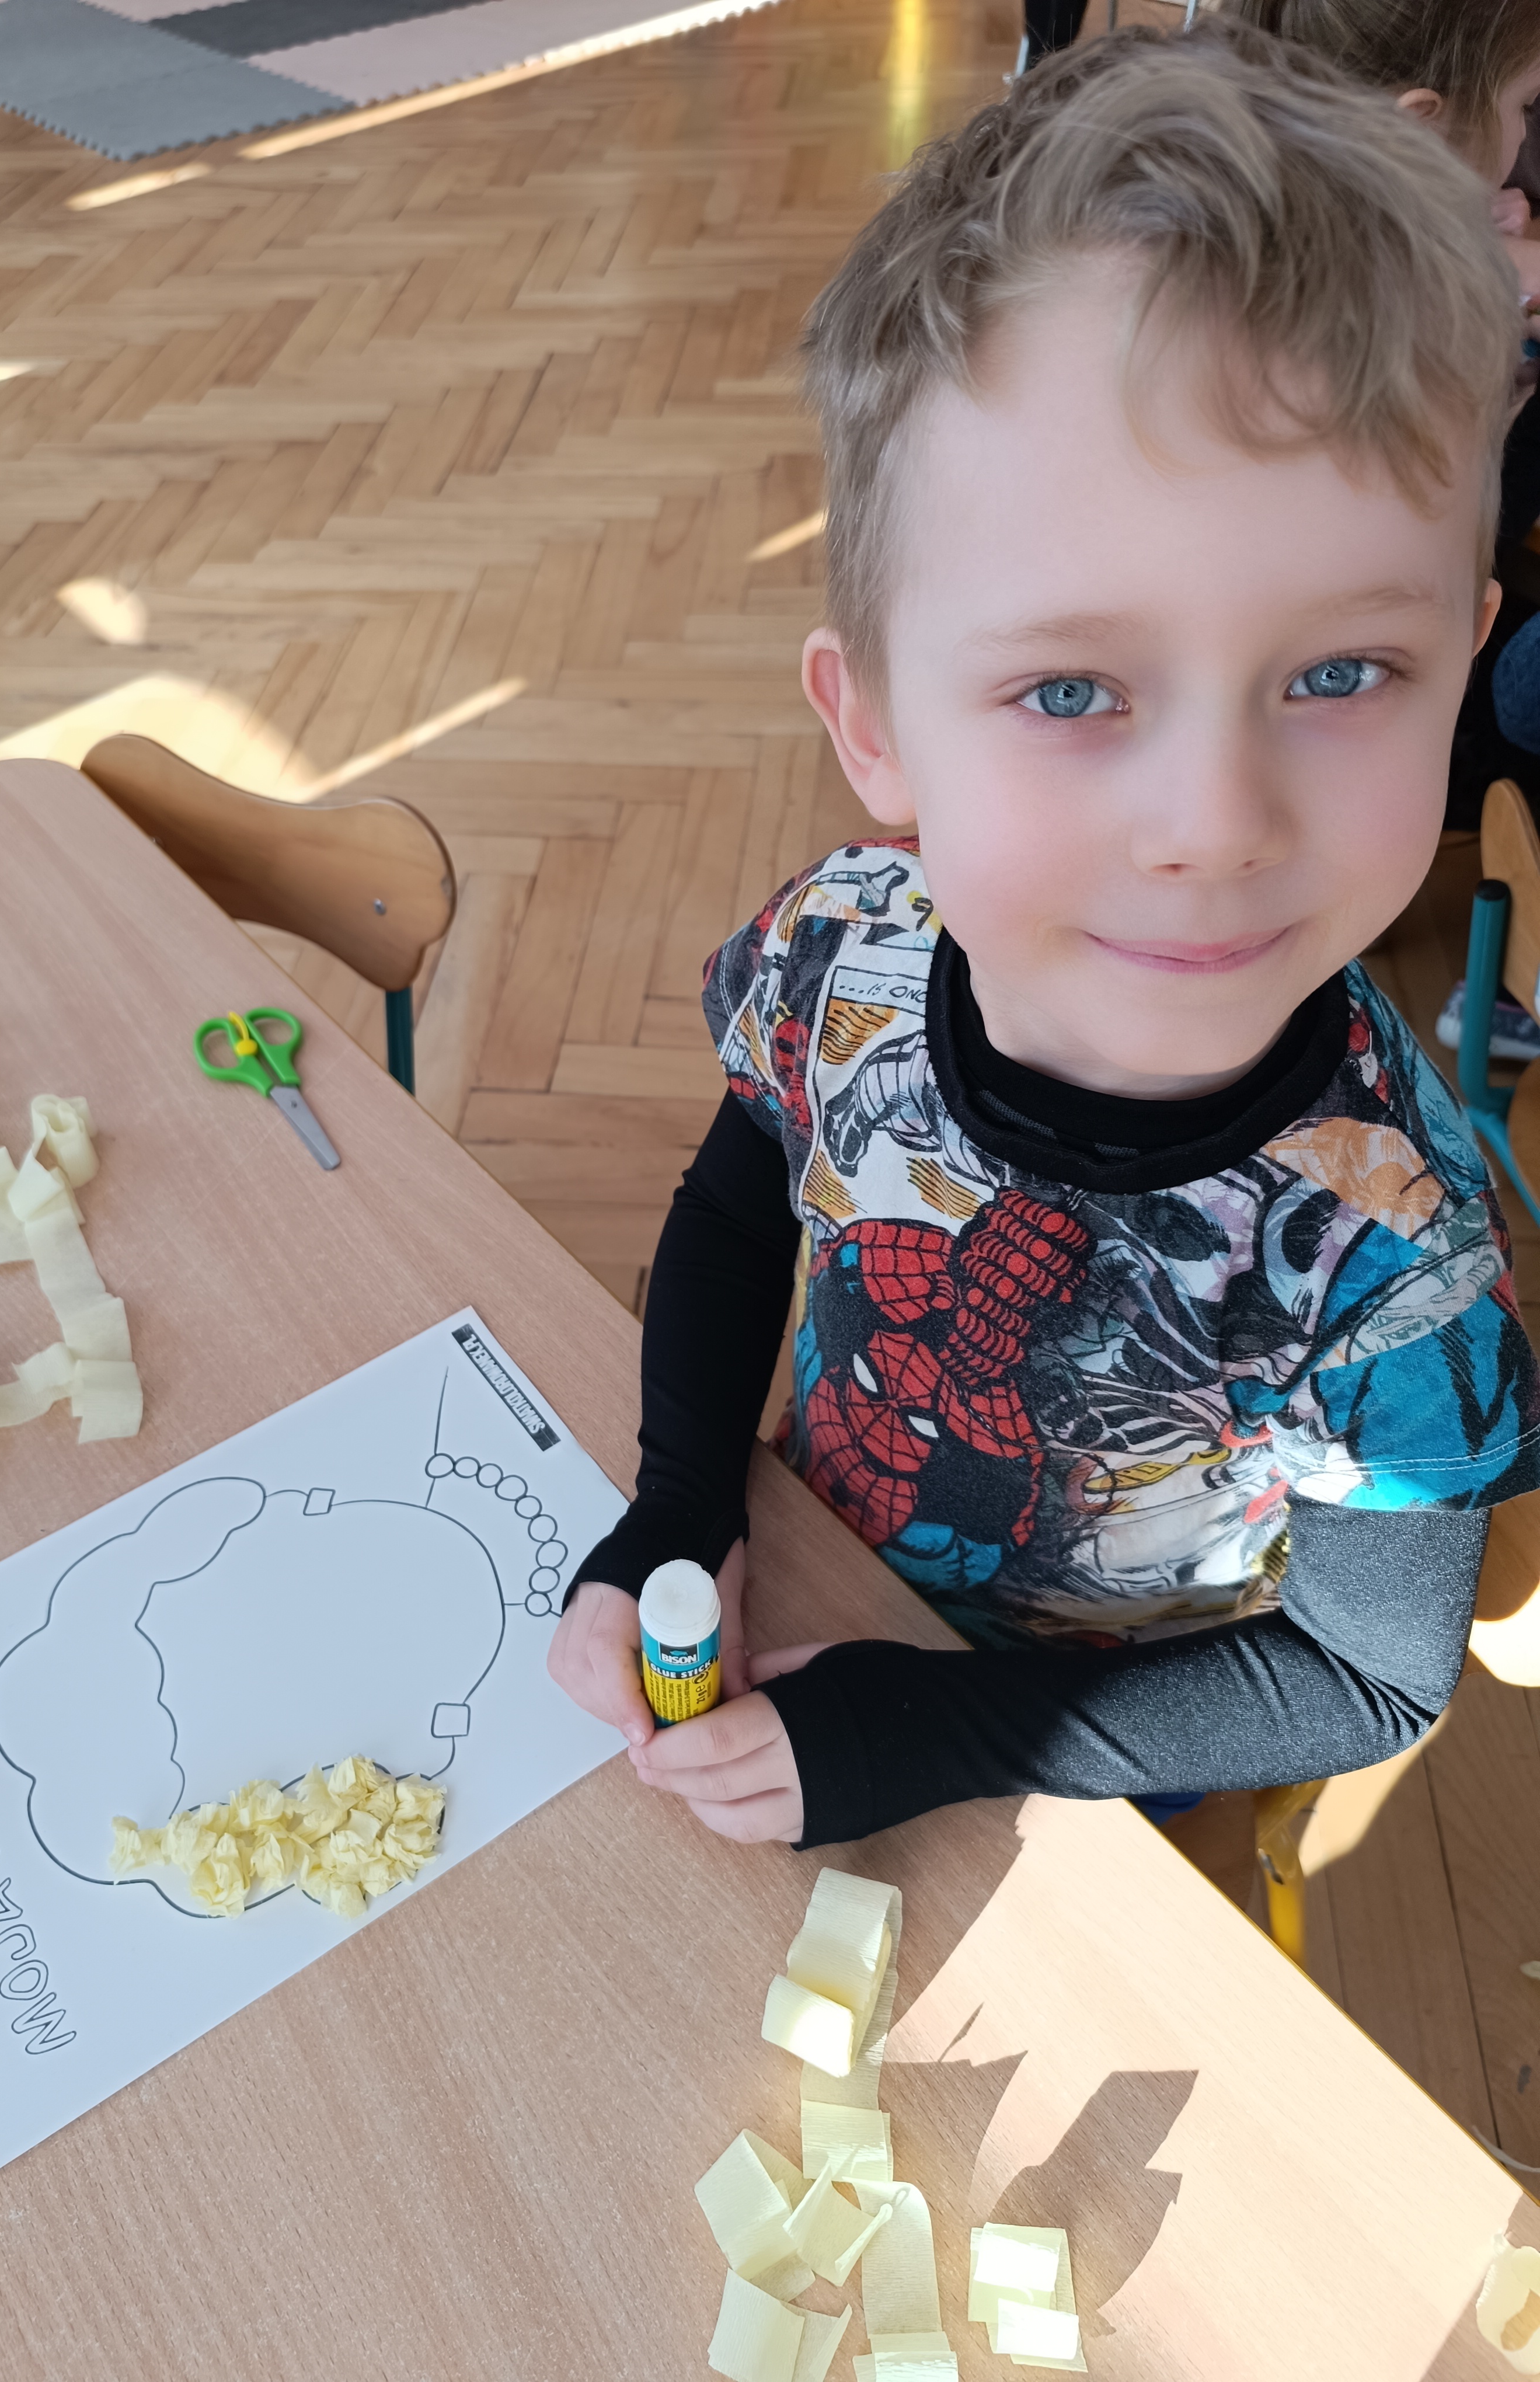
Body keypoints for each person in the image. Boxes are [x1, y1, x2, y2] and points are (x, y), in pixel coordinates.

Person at [546, 20, 1540, 1851]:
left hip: (1103, 1758)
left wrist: (927, 1732)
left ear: (1460, 658)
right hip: (816, 1585)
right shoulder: (836, 960)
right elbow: (741, 1193)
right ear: (873, 726)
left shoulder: (1390, 1254)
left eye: (1342, 672)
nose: (1214, 826)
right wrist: (680, 1505)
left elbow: (1363, 1676)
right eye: (1072, 689)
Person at [1228, 0, 1540, 1059]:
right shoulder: (1393, 326)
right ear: (1419, 126)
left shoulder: (1283, 230)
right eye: (1523, 106)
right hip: (1395, 710)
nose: (1522, 138)